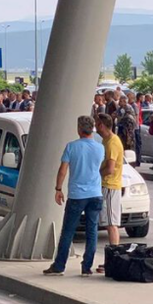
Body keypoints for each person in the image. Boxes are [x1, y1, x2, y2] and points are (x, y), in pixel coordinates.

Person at [45, 116, 105, 277]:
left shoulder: (71, 147)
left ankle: (59, 266)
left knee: (68, 231)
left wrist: (58, 188)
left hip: (77, 195)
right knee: (92, 231)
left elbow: (63, 170)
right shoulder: (100, 148)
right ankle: (86, 267)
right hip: (95, 194)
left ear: (79, 129)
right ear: (92, 128)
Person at [95, 113, 123, 273]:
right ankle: (112, 260)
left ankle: (113, 260)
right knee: (108, 223)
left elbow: (110, 168)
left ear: (101, 125)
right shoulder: (107, 141)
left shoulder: (112, 143)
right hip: (107, 186)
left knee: (112, 224)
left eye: (97, 124)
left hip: (110, 186)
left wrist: (96, 175)